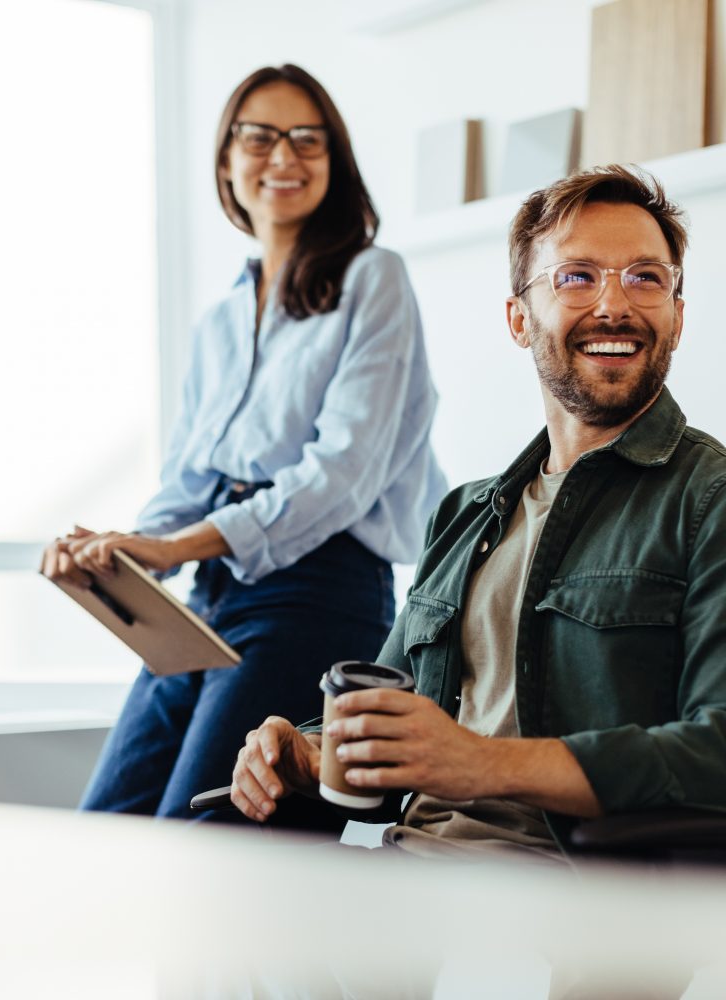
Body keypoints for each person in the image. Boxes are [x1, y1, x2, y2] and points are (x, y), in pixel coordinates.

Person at [231, 164, 726, 870]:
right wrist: (303, 750)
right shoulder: (465, 514)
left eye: (646, 278)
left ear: (678, 314)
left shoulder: (710, 500)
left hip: (560, 897)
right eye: (577, 277)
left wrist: (484, 764)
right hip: (403, 868)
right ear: (519, 319)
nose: (615, 305)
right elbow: (387, 714)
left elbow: (717, 750)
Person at [41, 64, 446, 819]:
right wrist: (119, 550)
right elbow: (191, 475)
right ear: (227, 159)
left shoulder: (374, 279)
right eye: (259, 137)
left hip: (316, 595)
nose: (284, 157)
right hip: (212, 595)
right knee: (104, 824)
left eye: (307, 138)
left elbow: (341, 477)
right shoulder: (221, 317)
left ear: (336, 158)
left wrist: (172, 548)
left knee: (198, 838)